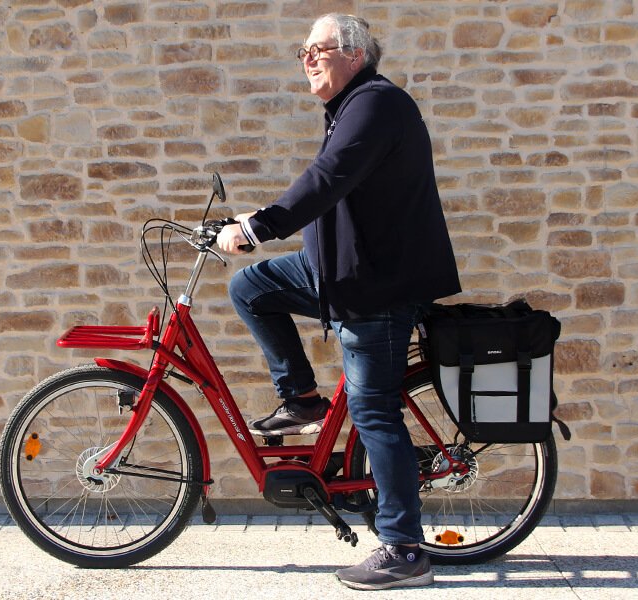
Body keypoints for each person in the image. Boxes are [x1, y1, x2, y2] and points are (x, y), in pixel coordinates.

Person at [215, 13, 462, 591]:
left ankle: (404, 549)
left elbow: (328, 179)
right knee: (251, 287)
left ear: (353, 53)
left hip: (375, 283)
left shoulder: (377, 104)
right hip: (336, 270)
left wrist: (259, 228)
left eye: (316, 49)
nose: (306, 59)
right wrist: (250, 220)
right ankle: (301, 398)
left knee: (375, 412)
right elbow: (330, 187)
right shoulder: (350, 109)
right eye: (301, 51)